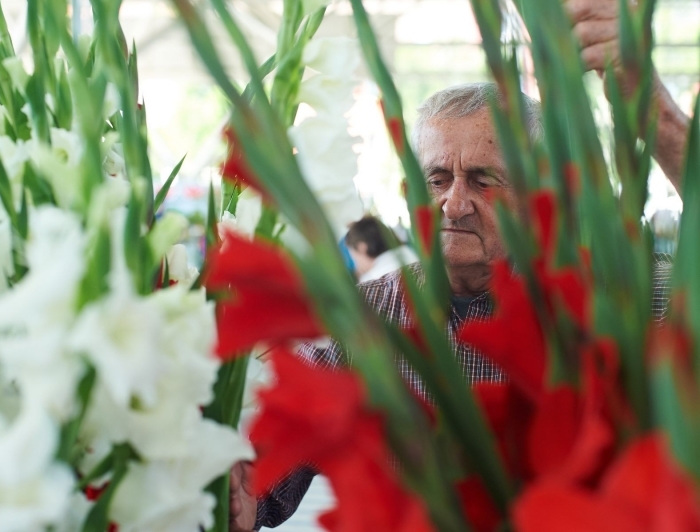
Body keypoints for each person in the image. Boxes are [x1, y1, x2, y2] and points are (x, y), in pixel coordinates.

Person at [229, 0, 690, 529]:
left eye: (485, 179)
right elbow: (258, 486)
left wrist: (661, 119)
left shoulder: (621, 300)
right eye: (437, 180)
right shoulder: (359, 323)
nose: (454, 203)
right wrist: (228, 487)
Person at [344, 216, 418, 282]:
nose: (358, 265)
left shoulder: (370, 281)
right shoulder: (408, 253)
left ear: (362, 248)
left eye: (355, 257)